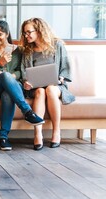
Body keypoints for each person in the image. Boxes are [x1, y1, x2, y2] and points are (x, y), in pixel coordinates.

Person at [0, 20, 44, 151]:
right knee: (4, 76)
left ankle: (3, 137)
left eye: (0, 34)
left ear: (6, 34)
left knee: (7, 95)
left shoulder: (19, 51)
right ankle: (27, 111)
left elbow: (22, 70)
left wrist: (14, 76)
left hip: (12, 88)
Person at [19, 17, 74, 150]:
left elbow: (66, 68)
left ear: (39, 30)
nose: (26, 36)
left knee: (50, 89)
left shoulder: (57, 45)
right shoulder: (28, 50)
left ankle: (56, 132)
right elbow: (24, 73)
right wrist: (26, 83)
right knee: (40, 91)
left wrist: (61, 78)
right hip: (36, 87)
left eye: (29, 32)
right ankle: (38, 134)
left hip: (56, 86)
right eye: (24, 33)